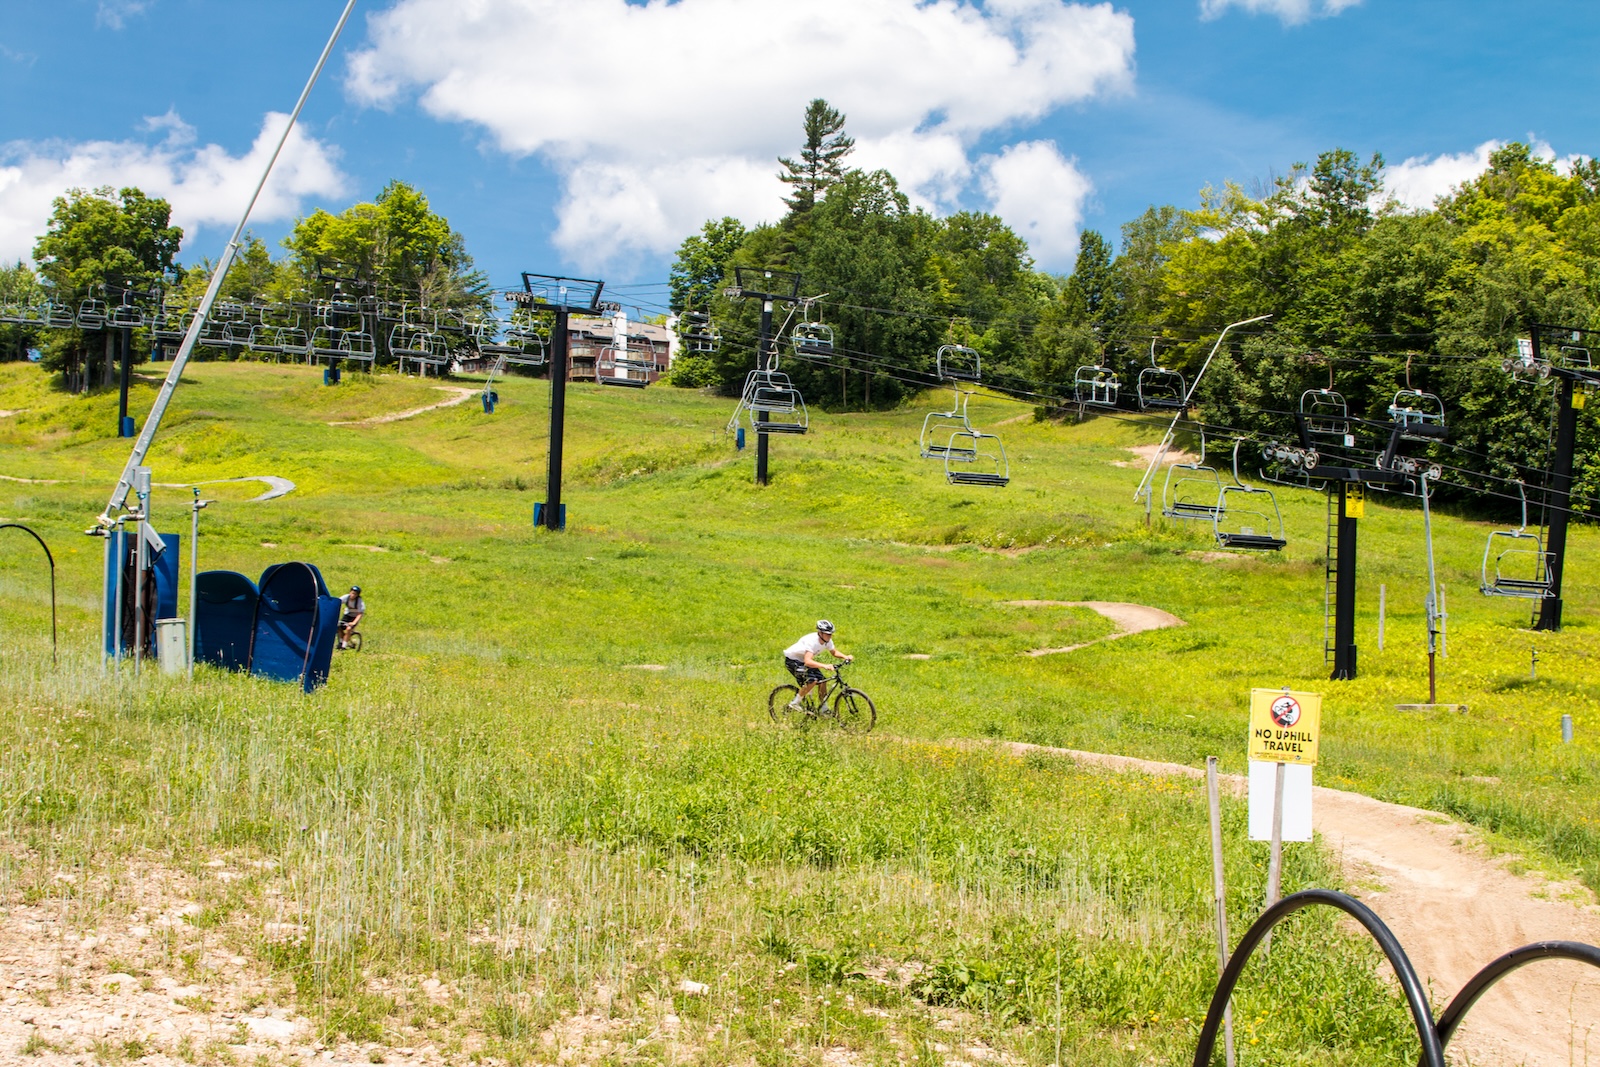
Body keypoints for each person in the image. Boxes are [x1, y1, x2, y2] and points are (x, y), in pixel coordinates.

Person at [782, 619, 852, 712]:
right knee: (812, 681)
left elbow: (834, 652)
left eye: (831, 634)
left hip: (804, 660)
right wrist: (824, 666)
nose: (830, 636)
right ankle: (795, 703)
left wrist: (845, 656)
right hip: (793, 660)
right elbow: (808, 662)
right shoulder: (812, 641)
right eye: (827, 634)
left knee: (823, 681)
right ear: (820, 633)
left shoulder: (827, 640)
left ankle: (823, 708)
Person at [338, 585, 365, 649]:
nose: (353, 595)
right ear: (350, 592)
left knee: (349, 629)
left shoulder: (359, 602)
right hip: (347, 615)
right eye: (352, 593)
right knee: (339, 627)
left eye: (355, 594)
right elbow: (337, 603)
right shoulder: (346, 597)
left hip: (354, 617)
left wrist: (354, 622)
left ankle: (343, 646)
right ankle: (341, 642)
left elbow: (360, 614)